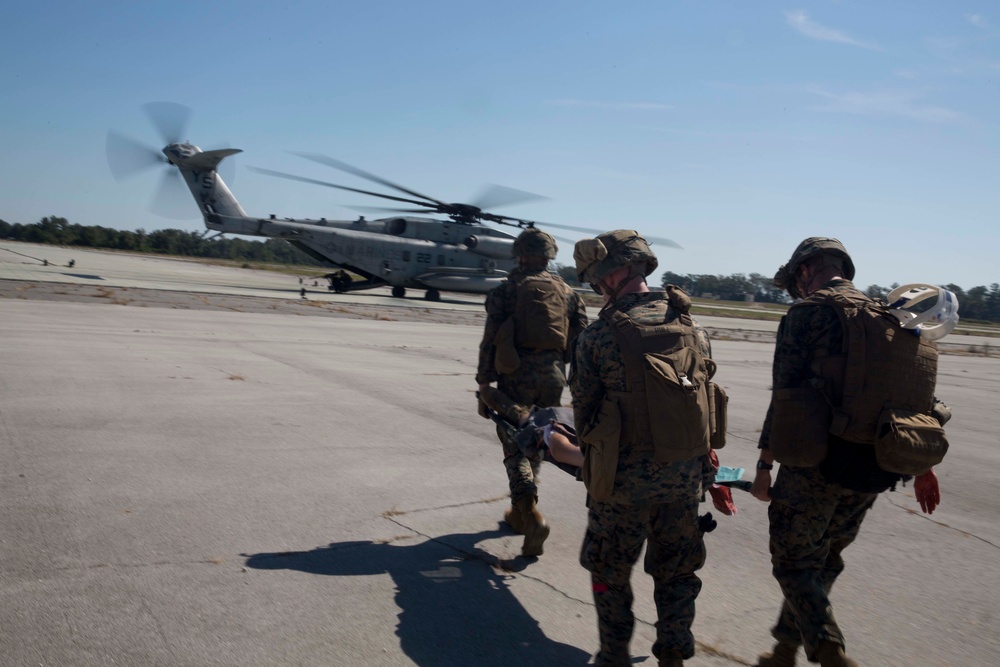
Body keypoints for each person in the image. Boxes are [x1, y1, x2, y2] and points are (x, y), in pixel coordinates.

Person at [751, 237, 947, 667]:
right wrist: (923, 468)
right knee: (824, 560)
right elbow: (917, 397)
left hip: (816, 463)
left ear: (807, 270)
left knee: (793, 561)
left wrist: (764, 466)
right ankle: (784, 650)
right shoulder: (894, 318)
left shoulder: (808, 314)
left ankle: (828, 650)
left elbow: (784, 397)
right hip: (876, 465)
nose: (796, 290)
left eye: (796, 280)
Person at [571, 230, 728, 667]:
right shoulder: (693, 328)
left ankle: (614, 655)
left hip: (622, 486)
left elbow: (585, 418)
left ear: (611, 273)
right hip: (683, 481)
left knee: (608, 570)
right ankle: (674, 655)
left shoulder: (597, 337)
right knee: (677, 573)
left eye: (596, 278)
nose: (596, 286)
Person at [476, 227, 588, 557]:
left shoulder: (506, 291)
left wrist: (484, 383)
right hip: (553, 379)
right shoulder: (569, 293)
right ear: (550, 256)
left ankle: (528, 512)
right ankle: (523, 506)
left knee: (515, 443)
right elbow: (581, 345)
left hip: (514, 379)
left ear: (519, 254)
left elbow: (490, 340)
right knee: (539, 437)